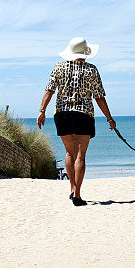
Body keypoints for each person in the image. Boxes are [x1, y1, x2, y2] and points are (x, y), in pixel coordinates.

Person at [37, 37, 115, 206]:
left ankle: (72, 188)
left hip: (62, 115)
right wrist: (109, 118)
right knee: (80, 156)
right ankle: (77, 195)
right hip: (83, 115)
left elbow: (49, 91)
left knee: (69, 153)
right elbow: (99, 97)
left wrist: (42, 111)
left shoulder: (58, 68)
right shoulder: (92, 70)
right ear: (85, 53)